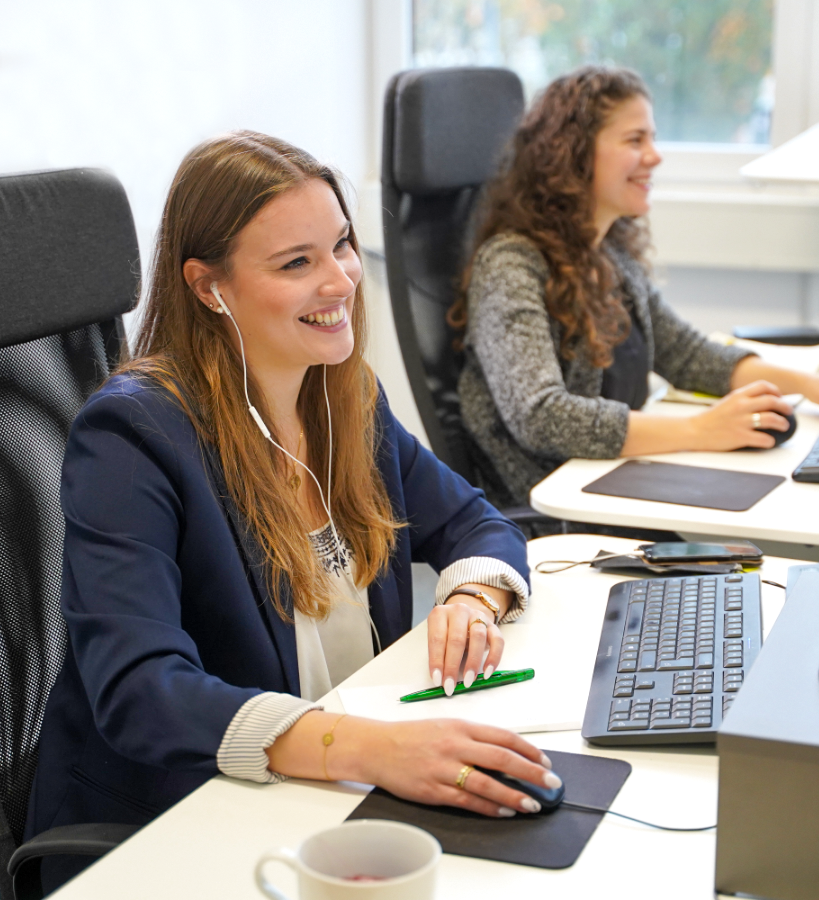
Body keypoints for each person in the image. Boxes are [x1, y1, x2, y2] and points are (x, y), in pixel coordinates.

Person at [26, 132, 559, 893]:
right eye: (296, 263)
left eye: (341, 245)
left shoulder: (343, 397)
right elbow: (142, 690)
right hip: (180, 825)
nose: (341, 281)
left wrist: (473, 597)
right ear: (210, 287)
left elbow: (476, 521)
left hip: (326, 791)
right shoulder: (133, 437)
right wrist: (368, 749)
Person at [451, 66, 819, 509]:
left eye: (653, 138)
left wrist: (810, 384)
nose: (655, 156)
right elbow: (541, 416)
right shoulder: (509, 265)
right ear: (575, 154)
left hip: (618, 483)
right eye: (635, 140)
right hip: (560, 508)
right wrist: (701, 430)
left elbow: (687, 355)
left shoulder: (610, 253)